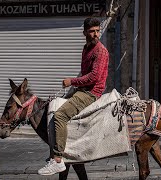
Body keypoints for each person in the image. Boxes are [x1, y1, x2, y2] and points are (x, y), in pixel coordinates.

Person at [38, 17, 110, 176]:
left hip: (92, 93)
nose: (96, 34)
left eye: (98, 31)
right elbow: (85, 74)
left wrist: (72, 81)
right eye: (92, 31)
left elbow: (94, 77)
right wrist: (73, 86)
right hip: (82, 89)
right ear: (84, 32)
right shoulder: (86, 48)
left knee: (60, 116)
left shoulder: (100, 51)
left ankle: (57, 159)